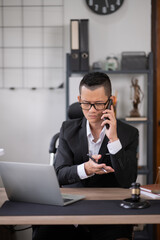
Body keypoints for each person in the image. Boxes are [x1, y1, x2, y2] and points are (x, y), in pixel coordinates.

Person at [33, 72, 139, 240]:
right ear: (79, 98)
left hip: (109, 213)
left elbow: (128, 180)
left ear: (110, 101)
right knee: (43, 234)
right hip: (71, 209)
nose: (91, 110)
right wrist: (85, 169)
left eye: (98, 104)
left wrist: (113, 139)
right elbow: (58, 174)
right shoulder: (68, 130)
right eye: (86, 103)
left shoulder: (129, 134)